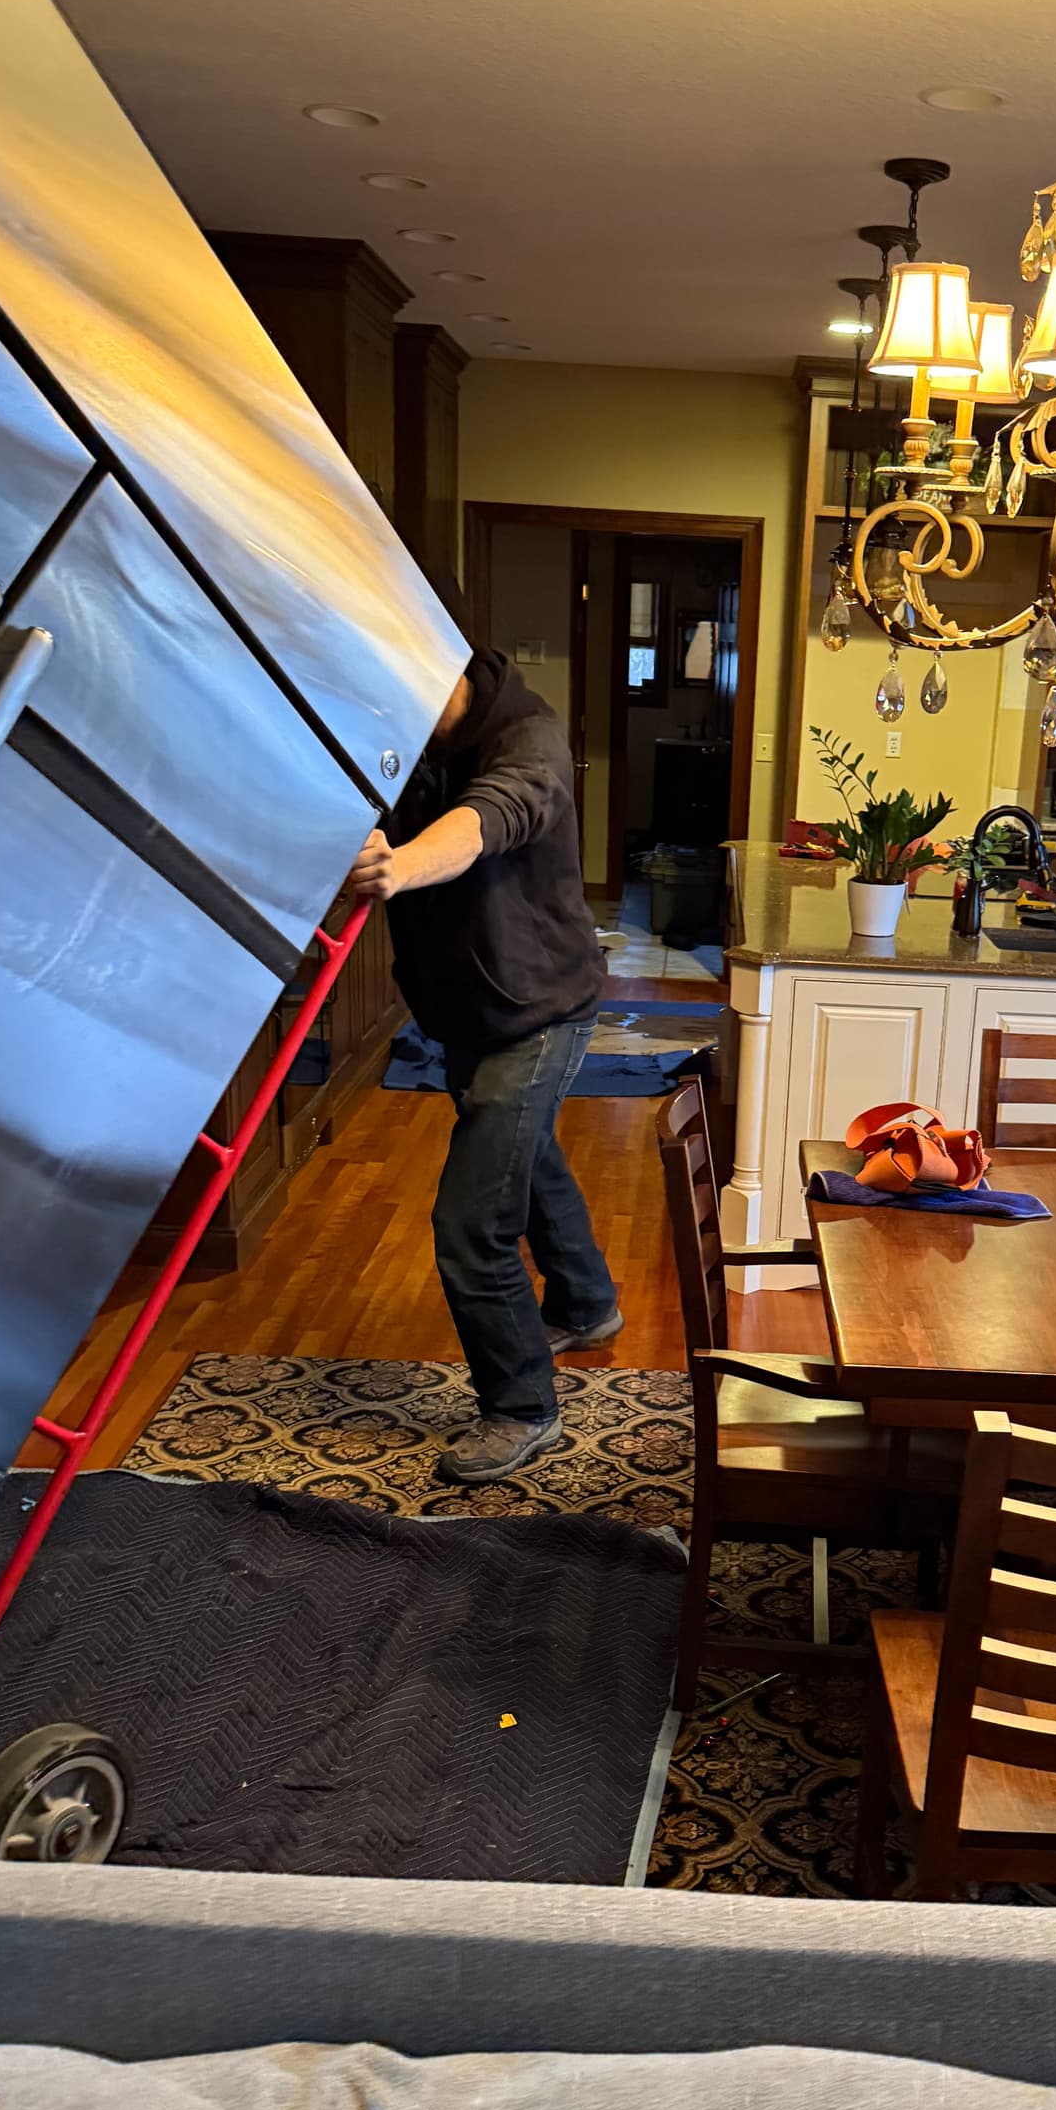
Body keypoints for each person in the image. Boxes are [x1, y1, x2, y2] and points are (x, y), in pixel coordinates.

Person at [349, 632, 621, 1484]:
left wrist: (396, 865)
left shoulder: (528, 738)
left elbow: (484, 822)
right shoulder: (408, 741)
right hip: (463, 1008)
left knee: (471, 1223)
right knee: (525, 1158)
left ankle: (520, 1406)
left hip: (541, 1009)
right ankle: (586, 1303)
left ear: (449, 671)